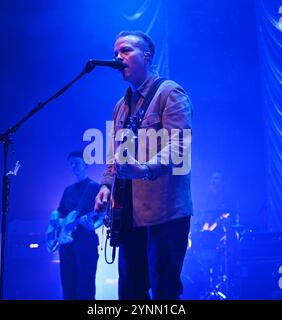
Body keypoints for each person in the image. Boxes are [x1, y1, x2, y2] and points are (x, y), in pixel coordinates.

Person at [94, 30, 193, 300]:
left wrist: (145, 169)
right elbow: (115, 154)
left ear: (147, 56)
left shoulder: (170, 93)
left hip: (165, 213)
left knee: (164, 291)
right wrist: (106, 184)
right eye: (115, 53)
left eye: (125, 51)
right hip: (128, 214)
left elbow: (179, 147)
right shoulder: (120, 106)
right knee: (129, 291)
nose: (117, 57)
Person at [50, 151, 102, 300]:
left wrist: (94, 226)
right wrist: (54, 220)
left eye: (77, 162)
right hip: (66, 246)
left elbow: (102, 215)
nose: (73, 166)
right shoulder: (68, 190)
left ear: (86, 164)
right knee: (68, 289)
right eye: (71, 164)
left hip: (86, 243)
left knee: (85, 289)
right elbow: (60, 213)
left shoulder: (95, 187)